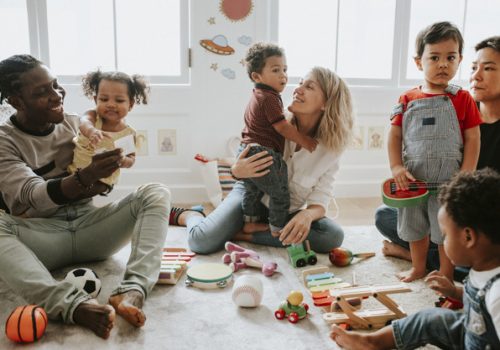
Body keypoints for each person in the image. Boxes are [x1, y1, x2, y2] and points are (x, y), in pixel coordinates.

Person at [0, 55, 170, 339]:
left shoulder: (75, 124)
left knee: (155, 192)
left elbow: (103, 183)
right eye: (42, 92)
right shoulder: (5, 140)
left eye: (55, 86)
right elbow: (33, 196)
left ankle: (132, 290)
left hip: (90, 226)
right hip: (42, 236)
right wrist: (86, 177)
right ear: (17, 101)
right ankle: (72, 304)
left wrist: (109, 172)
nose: (57, 96)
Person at [172, 66, 354, 254]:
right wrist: (236, 170)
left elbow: (320, 200)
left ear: (326, 103)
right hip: (250, 196)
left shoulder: (331, 149)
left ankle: (245, 235)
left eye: (309, 87)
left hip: (287, 211)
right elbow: (240, 162)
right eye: (300, 83)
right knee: (201, 241)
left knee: (332, 236)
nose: (297, 89)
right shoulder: (272, 119)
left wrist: (307, 215)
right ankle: (191, 215)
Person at [331, 168, 500, 350]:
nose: (442, 240)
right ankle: (373, 342)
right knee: (429, 319)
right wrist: (454, 292)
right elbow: (476, 299)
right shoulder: (482, 266)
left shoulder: (497, 294)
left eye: (445, 235)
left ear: (468, 237)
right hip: (471, 332)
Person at [376, 35, 500, 281]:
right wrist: (398, 167)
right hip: (431, 194)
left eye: (488, 68)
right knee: (387, 216)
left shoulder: (461, 104)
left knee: (460, 239)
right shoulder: (441, 103)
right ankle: (425, 260)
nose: (475, 75)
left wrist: (464, 187)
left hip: (480, 218)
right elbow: (397, 135)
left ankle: (436, 263)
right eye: (474, 67)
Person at [238, 42, 317, 236]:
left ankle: (249, 221)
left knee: (253, 191)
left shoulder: (257, 95)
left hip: (246, 150)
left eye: (285, 69)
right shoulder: (269, 97)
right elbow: (281, 127)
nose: (283, 75)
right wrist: (305, 141)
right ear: (257, 76)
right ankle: (277, 228)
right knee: (280, 193)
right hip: (262, 152)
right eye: (275, 70)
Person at [67, 70, 149, 188]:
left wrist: (123, 160)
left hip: (103, 183)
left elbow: (131, 159)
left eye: (119, 100)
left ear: (130, 104)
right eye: (104, 99)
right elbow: (84, 122)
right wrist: (92, 131)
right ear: (96, 100)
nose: (110, 104)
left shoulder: (128, 133)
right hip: (76, 176)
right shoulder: (93, 117)